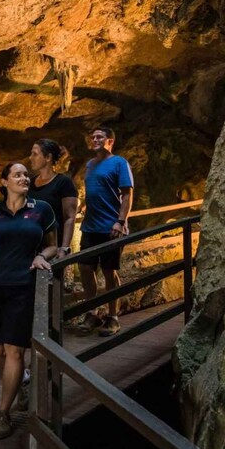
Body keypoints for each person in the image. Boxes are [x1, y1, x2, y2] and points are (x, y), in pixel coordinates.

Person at [0, 162, 57, 440]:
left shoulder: (41, 210)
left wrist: (43, 256)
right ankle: (24, 380)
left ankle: (3, 413)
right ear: (3, 182)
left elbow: (53, 244)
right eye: (17, 174)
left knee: (14, 351)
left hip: (23, 287)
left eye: (26, 174)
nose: (23, 177)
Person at [77, 126, 133, 336]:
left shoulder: (119, 163)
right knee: (84, 267)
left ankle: (112, 317)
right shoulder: (90, 165)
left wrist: (120, 221)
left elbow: (127, 195)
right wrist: (83, 205)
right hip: (90, 225)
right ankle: (92, 312)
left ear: (110, 141)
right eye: (93, 137)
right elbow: (94, 190)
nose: (95, 140)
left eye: (100, 137)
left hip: (111, 227)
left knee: (109, 271)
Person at [27, 139, 78, 260]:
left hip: (52, 246)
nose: (30, 158)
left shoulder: (63, 183)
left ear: (48, 157)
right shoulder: (30, 183)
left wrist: (64, 248)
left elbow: (69, 218)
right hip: (30, 245)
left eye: (35, 154)